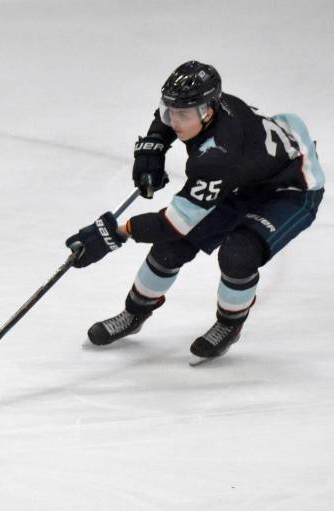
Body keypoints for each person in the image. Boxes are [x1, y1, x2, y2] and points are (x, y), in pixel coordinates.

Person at [66, 60, 324, 363]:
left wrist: (116, 233)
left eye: (183, 115)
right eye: (170, 111)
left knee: (238, 254)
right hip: (245, 179)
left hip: (291, 187)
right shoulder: (209, 105)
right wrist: (154, 145)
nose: (174, 121)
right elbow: (170, 118)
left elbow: (173, 224)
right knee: (171, 249)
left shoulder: (216, 158)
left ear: (208, 111)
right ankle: (133, 315)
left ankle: (229, 324)